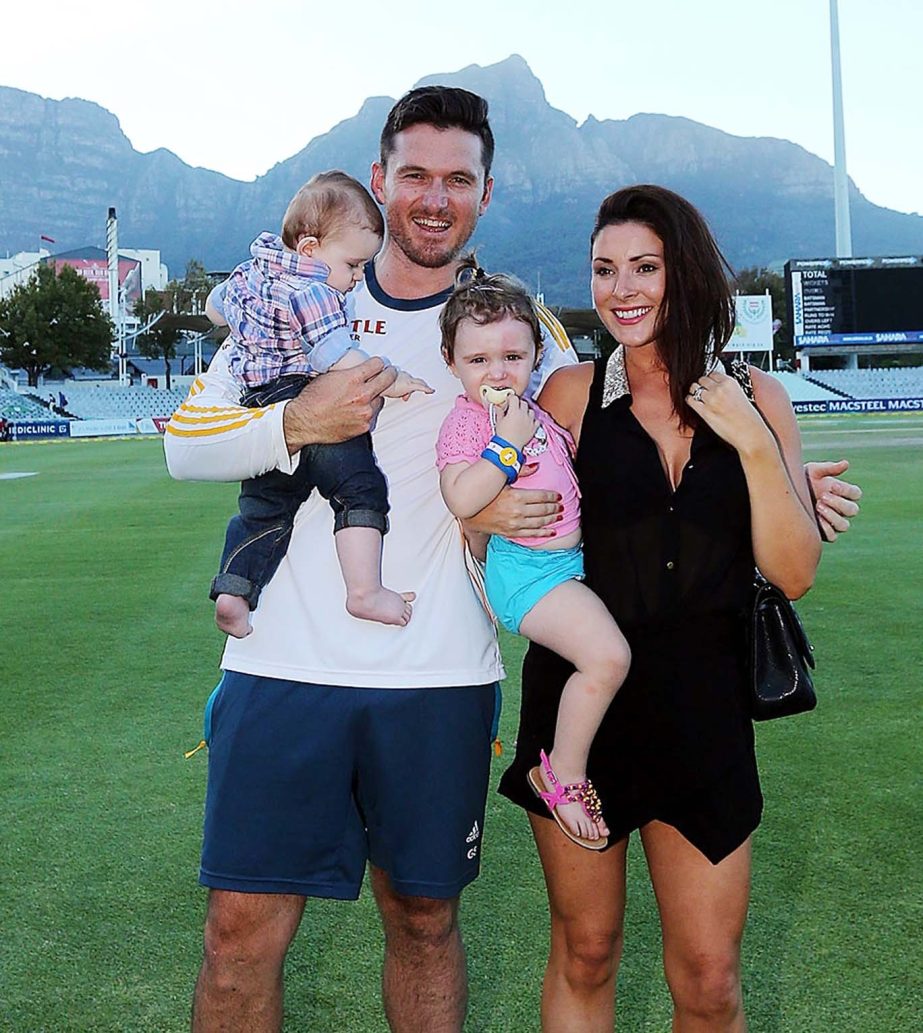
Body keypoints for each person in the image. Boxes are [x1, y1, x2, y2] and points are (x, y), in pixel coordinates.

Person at [165, 87, 860, 1031]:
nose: (434, 197)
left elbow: (606, 452)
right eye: (414, 175)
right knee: (238, 934)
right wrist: (294, 420)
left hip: (442, 670)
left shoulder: (521, 332)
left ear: (486, 194)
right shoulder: (288, 304)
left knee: (423, 920)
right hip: (282, 663)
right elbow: (186, 443)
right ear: (379, 182)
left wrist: (773, 478)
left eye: (458, 178)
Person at [494, 184, 829, 1031]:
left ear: (685, 274)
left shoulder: (760, 396)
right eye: (604, 269)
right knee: (585, 949)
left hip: (704, 712)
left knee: (710, 978)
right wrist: (483, 512)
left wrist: (751, 439)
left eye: (644, 266)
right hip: (582, 704)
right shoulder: (569, 394)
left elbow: (791, 572)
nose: (621, 288)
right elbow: (496, 509)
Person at [436, 259, 630, 848]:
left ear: (536, 355)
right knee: (608, 659)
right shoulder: (469, 423)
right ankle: (560, 772)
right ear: (452, 363)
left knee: (608, 656)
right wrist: (504, 448)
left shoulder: (533, 408)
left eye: (512, 358)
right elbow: (461, 499)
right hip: (527, 577)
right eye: (478, 361)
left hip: (562, 569)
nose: (497, 371)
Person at [205, 170, 432, 638]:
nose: (355, 279)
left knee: (264, 509)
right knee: (359, 490)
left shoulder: (251, 272)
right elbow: (338, 357)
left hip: (264, 413)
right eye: (352, 265)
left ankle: (234, 592)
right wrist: (394, 379)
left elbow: (215, 307)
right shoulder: (315, 290)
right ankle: (365, 590)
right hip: (311, 398)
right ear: (309, 249)